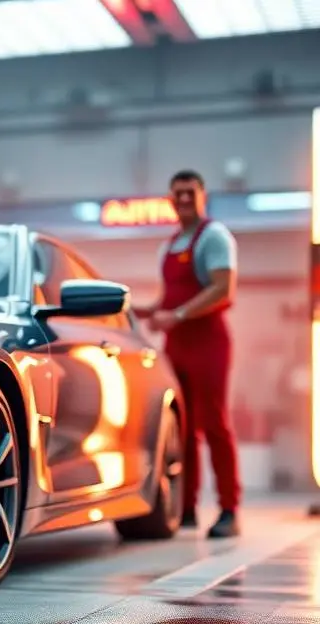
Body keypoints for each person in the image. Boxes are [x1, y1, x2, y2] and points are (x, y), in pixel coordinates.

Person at [134, 170, 241, 538]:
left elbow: (223, 290)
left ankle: (229, 509)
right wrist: (148, 311)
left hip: (208, 343)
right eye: (177, 193)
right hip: (176, 345)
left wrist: (175, 315)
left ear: (202, 195)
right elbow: (170, 298)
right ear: (169, 198)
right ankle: (189, 507)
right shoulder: (169, 245)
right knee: (182, 427)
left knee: (214, 423)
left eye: (189, 193)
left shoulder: (214, 237)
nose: (183, 199)